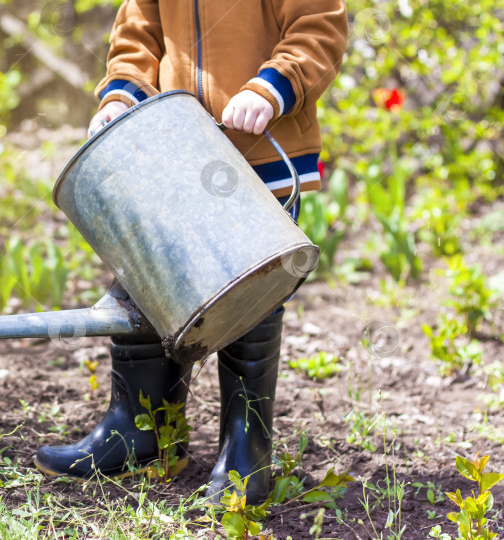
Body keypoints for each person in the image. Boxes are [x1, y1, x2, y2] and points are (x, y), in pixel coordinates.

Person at [35, 0, 348, 504]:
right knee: (147, 279)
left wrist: (272, 86)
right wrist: (122, 93)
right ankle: (140, 433)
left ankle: (247, 448)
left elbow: (320, 27)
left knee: (249, 291)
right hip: (172, 146)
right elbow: (139, 33)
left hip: (256, 148)